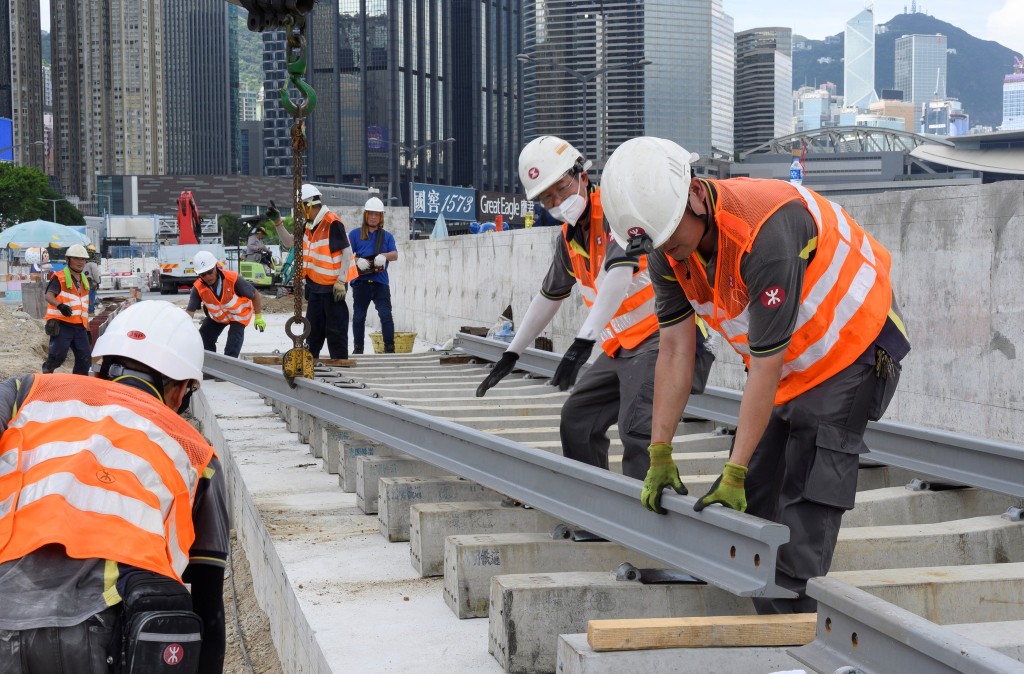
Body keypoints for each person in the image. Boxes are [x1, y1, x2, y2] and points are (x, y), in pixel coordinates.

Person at [600, 136, 910, 613]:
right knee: (755, 488)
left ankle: (794, 622)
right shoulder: (667, 248)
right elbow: (677, 351)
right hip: (791, 358)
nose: (671, 252)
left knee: (808, 482)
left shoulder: (764, 231)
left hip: (852, 343)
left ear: (697, 195)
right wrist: (659, 450)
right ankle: (761, 603)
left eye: (673, 238)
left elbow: (764, 365)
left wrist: (733, 470)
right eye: (660, 244)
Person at [0, 300, 229, 673]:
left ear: (102, 363)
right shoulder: (196, 454)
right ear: (180, 390)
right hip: (104, 628)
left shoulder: (28, 393)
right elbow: (208, 604)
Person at [476, 136, 714, 480]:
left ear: (582, 176)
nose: (558, 201)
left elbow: (619, 277)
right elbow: (548, 297)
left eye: (561, 189)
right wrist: (512, 353)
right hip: (622, 348)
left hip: (663, 341)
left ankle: (644, 526)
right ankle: (596, 513)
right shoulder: (570, 238)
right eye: (548, 197)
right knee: (578, 417)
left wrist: (583, 340)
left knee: (638, 430)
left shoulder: (615, 212)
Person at [297, 184, 352, 359]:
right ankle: (309, 363)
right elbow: (291, 243)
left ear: (310, 204)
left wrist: (341, 281)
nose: (300, 211)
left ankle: (340, 363)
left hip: (332, 287)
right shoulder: (308, 225)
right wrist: (278, 224)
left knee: (335, 330)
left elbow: (347, 251)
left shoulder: (331, 222)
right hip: (315, 287)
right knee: (312, 331)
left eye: (302, 207)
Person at [186, 250, 265, 359]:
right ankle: (210, 364)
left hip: (238, 316)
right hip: (218, 317)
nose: (208, 277)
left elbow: (255, 295)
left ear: (216, 267)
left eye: (210, 272)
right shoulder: (198, 288)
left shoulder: (233, 279)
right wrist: (184, 329)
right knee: (204, 336)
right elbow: (190, 312)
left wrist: (258, 317)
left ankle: (228, 367)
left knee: (232, 343)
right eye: (203, 274)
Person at [347, 196, 398, 354]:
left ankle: (389, 348)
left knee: (385, 315)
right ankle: (358, 349)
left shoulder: (387, 236)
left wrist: (384, 256)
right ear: (366, 215)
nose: (374, 217)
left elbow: (395, 254)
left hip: (380, 282)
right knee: (358, 317)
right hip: (361, 282)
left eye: (377, 214)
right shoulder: (355, 235)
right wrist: (357, 260)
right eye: (371, 214)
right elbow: (345, 255)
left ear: (381, 217)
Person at [41, 244, 92, 375]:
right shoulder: (60, 277)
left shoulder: (84, 280)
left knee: (85, 359)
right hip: (62, 325)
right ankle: (47, 374)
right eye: (76, 258)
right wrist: (60, 306)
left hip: (80, 327)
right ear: (68, 260)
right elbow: (48, 295)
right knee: (57, 357)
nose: (80, 262)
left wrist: (87, 328)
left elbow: (83, 305)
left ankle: (78, 385)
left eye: (83, 259)